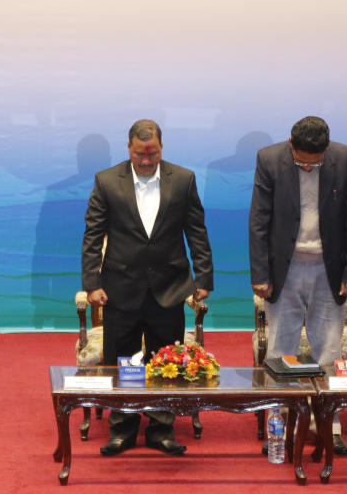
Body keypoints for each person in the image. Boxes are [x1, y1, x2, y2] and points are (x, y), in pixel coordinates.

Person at [82, 119, 213, 456]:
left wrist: (203, 279)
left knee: (164, 358)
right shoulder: (107, 181)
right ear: (129, 148)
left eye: (152, 154)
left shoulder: (183, 180)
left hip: (169, 287)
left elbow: (196, 231)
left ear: (161, 148)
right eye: (140, 154)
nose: (145, 160)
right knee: (124, 359)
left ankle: (160, 428)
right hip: (120, 288)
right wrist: (91, 284)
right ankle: (123, 428)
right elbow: (93, 236)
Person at [249, 116, 347, 456]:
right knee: (279, 350)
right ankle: (280, 426)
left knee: (329, 350)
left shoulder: (346, 159)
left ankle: (328, 426)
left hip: (327, 269)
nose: (307, 168)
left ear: (326, 150)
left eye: (314, 163)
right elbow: (259, 219)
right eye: (301, 161)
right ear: (290, 144)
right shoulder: (269, 159)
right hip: (283, 270)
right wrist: (260, 273)